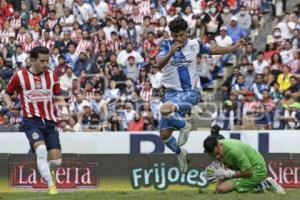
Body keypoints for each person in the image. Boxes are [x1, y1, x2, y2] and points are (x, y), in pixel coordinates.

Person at [157, 17, 245, 173]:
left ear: (186, 33)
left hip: (189, 92)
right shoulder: (165, 45)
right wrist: (171, 52)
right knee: (164, 135)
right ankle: (181, 153)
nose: (179, 39)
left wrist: (234, 48)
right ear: (171, 35)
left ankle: (185, 126)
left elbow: (214, 50)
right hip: (170, 94)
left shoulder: (194, 44)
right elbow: (159, 65)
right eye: (175, 36)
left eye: (181, 35)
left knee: (164, 110)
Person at [3, 46, 66, 195]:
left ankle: (45, 170)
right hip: (31, 121)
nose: (46, 64)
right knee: (42, 151)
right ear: (32, 60)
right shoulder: (20, 76)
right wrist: (9, 103)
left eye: (47, 60)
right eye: (42, 61)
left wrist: (64, 110)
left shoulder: (52, 76)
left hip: (49, 122)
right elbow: (6, 93)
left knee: (56, 161)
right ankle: (51, 186)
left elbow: (58, 96)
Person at [203, 137, 285, 194]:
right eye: (213, 155)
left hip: (257, 170)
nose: (217, 157)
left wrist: (228, 174)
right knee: (218, 189)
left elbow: (249, 172)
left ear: (219, 144)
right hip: (241, 168)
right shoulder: (218, 146)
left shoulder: (234, 151)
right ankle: (257, 185)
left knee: (221, 189)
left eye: (217, 153)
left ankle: (264, 184)